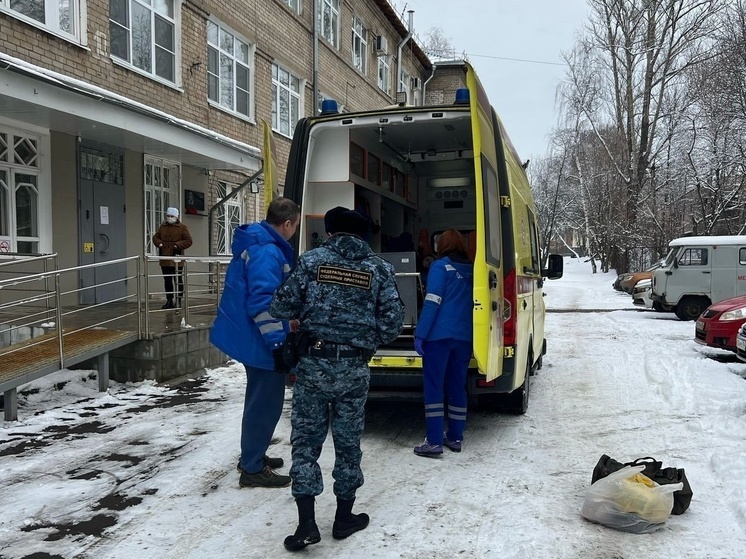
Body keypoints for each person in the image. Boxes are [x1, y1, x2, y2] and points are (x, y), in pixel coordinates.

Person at [270, 206, 404, 551]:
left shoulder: (312, 262)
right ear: (361, 235)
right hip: (354, 369)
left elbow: (281, 306)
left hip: (313, 366)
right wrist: (362, 334)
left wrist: (308, 316)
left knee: (305, 443)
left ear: (330, 232)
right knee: (347, 444)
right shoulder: (379, 268)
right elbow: (392, 326)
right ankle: (344, 518)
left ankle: (306, 525)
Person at [209, 197, 301, 488]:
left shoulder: (259, 242)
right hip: (260, 340)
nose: (295, 231)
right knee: (265, 405)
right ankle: (251, 468)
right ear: (286, 224)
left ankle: (254, 454)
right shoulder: (267, 251)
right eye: (295, 226)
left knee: (258, 401)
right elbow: (264, 303)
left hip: (251, 335)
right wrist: (277, 343)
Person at [412, 228, 474, 457]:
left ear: (442, 245)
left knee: (435, 387)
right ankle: (455, 437)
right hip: (464, 337)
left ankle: (434, 441)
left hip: (438, 337)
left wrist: (421, 334)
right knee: (457, 386)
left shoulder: (441, 266)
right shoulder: (472, 269)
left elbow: (432, 302)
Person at [152, 207, 193, 309]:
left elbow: (189, 241)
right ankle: (169, 300)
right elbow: (155, 237)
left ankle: (178, 300)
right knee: (167, 280)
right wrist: (159, 243)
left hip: (176, 257)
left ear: (176, 217)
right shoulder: (163, 226)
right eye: (168, 216)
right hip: (165, 256)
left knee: (178, 279)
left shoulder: (182, 227)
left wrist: (177, 245)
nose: (169, 218)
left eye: (172, 216)